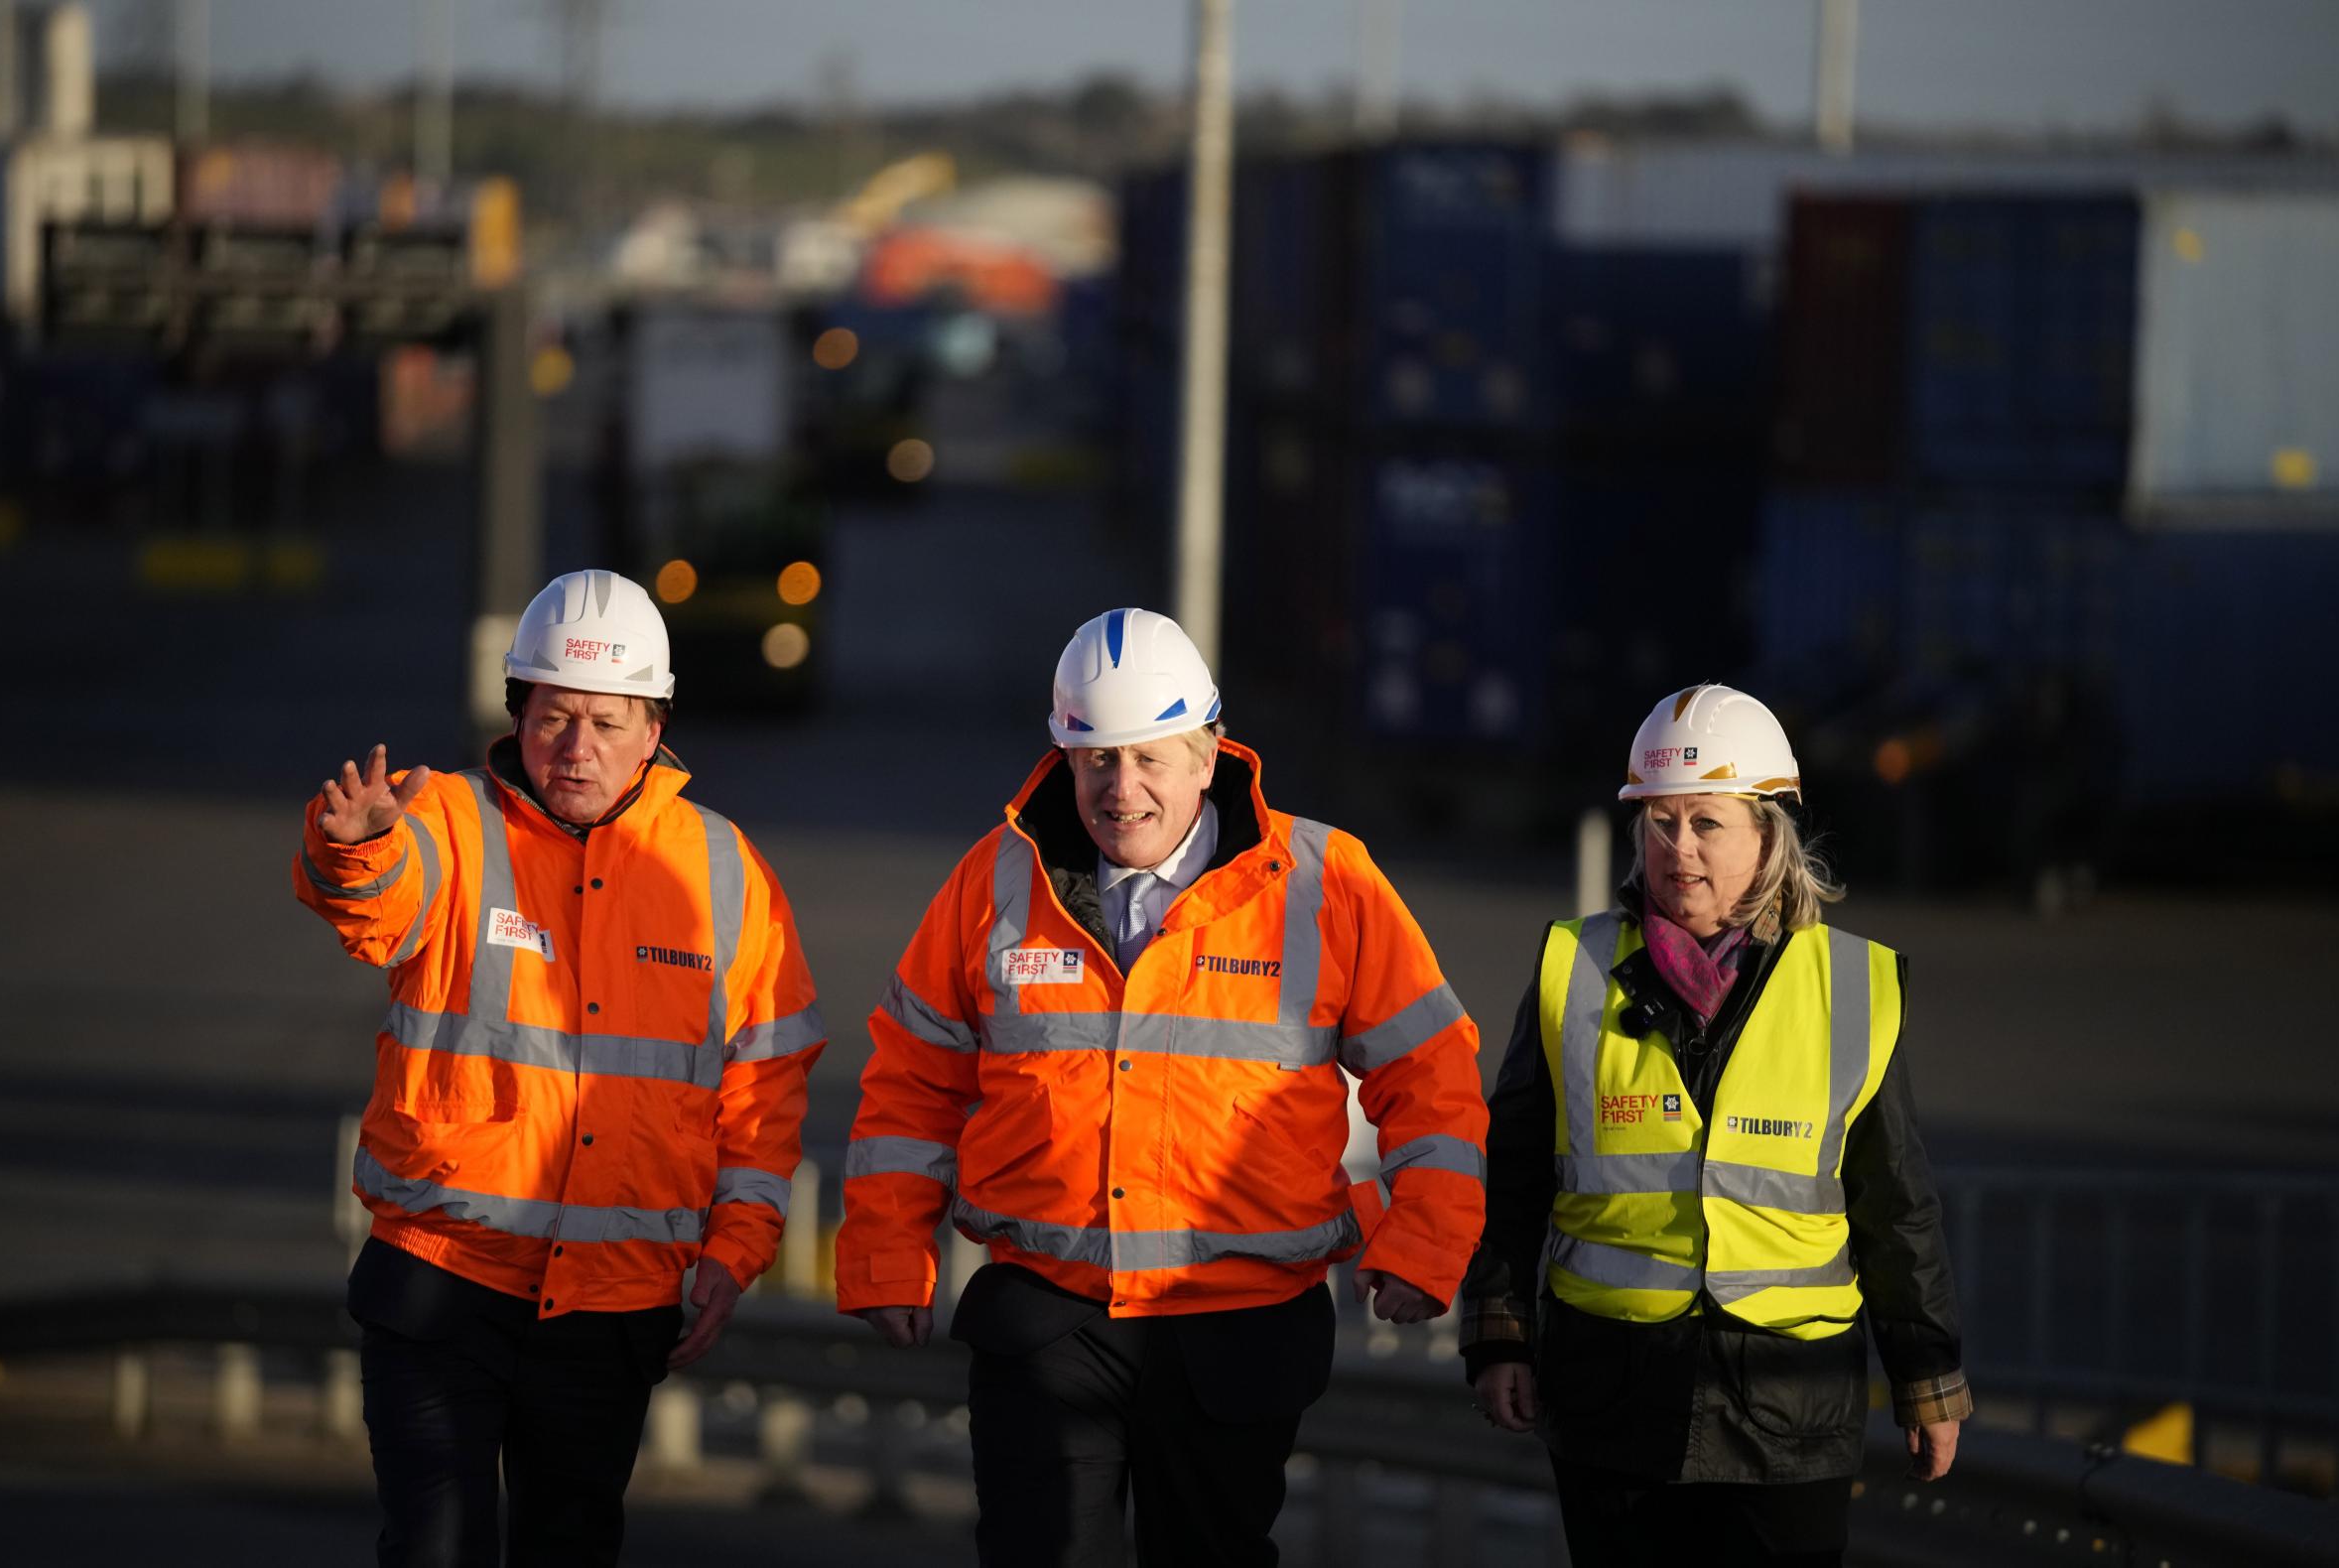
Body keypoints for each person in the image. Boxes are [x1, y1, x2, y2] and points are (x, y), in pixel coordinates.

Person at [836, 607, 1488, 1566]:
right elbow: (911, 1080)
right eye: (1096, 758)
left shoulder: (1323, 881)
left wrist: (1424, 1244)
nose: (1122, 788)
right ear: (1062, 757)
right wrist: (888, 1254)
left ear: (1210, 754)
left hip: (1239, 1330)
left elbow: (1431, 1074)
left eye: (1151, 758)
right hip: (1049, 1320)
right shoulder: (996, 881)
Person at [293, 569, 826, 1567]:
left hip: (613, 1305)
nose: (576, 749)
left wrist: (739, 1241)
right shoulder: (447, 820)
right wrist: (352, 847)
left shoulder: (721, 868)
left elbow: (769, 1071)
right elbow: (374, 900)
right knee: (435, 1548)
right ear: (518, 711)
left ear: (655, 723)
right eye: (555, 716)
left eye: (608, 722)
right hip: (441, 1281)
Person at [1460, 684, 1969, 1568]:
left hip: (1788, 1412)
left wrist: (1927, 1375)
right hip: (1613, 1403)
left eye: (1707, 824)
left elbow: (1895, 1205)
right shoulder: (1571, 969)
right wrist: (1499, 1334)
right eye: (1660, 823)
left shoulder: (1852, 985)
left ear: (1769, 835)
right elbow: (1512, 1178)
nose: (1678, 850)